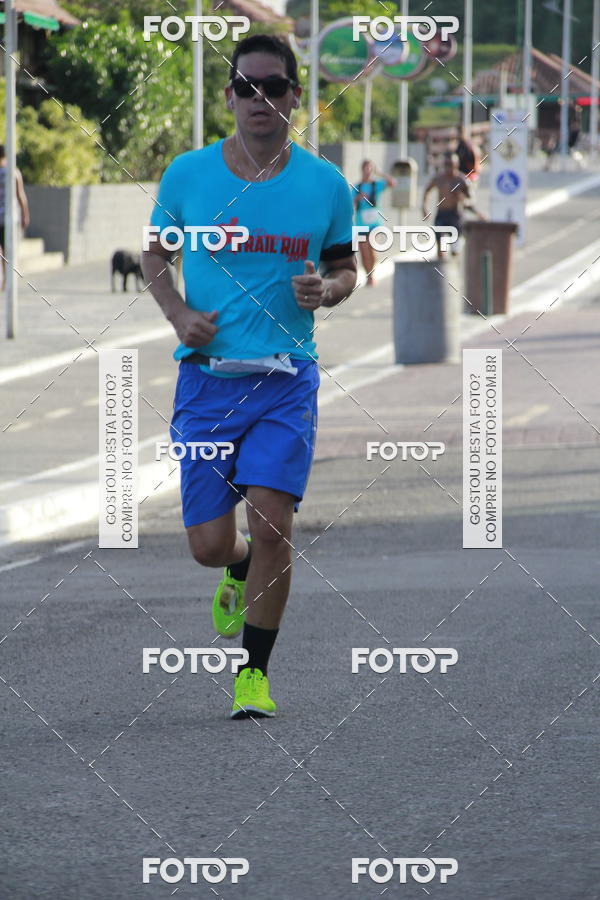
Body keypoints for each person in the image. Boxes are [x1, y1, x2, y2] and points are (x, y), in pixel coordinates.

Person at [141, 34, 356, 719]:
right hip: (206, 380)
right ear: (230, 96)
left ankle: (253, 675)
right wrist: (177, 312)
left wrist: (332, 289)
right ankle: (234, 568)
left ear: (296, 96)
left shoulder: (325, 184)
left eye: (273, 87)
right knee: (210, 546)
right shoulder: (189, 175)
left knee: (273, 525)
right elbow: (153, 255)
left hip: (287, 378)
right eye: (245, 87)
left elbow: (347, 264)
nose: (258, 99)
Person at [422, 152, 484, 259]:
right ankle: (441, 272)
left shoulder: (461, 180)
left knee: (455, 251)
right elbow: (427, 190)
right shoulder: (439, 178)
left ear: (456, 165)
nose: (449, 168)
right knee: (440, 248)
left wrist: (463, 200)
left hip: (455, 215)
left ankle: (453, 269)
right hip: (441, 214)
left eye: (451, 164)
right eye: (446, 164)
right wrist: (424, 207)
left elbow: (471, 199)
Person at [353, 159, 396, 286]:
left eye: (370, 168)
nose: (368, 171)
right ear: (362, 170)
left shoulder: (376, 185)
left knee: (370, 247)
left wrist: (380, 173)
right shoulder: (358, 187)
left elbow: (392, 183)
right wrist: (358, 198)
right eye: (366, 168)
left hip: (374, 223)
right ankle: (368, 275)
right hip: (361, 223)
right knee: (363, 250)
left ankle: (372, 274)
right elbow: (349, 204)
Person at [0, 144, 30, 288]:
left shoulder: (12, 172)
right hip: (10, 218)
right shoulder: (14, 172)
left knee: (3, 250)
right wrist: (25, 215)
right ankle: (8, 278)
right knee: (8, 249)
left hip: (5, 218)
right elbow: (21, 196)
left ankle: (6, 278)